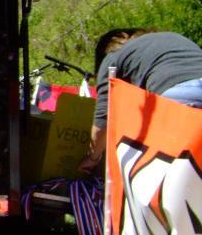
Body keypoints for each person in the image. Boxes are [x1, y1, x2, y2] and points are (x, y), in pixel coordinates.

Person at [79, 28, 202, 171]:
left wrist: (93, 158)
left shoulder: (112, 58)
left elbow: (103, 119)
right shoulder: (172, 38)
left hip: (180, 98)